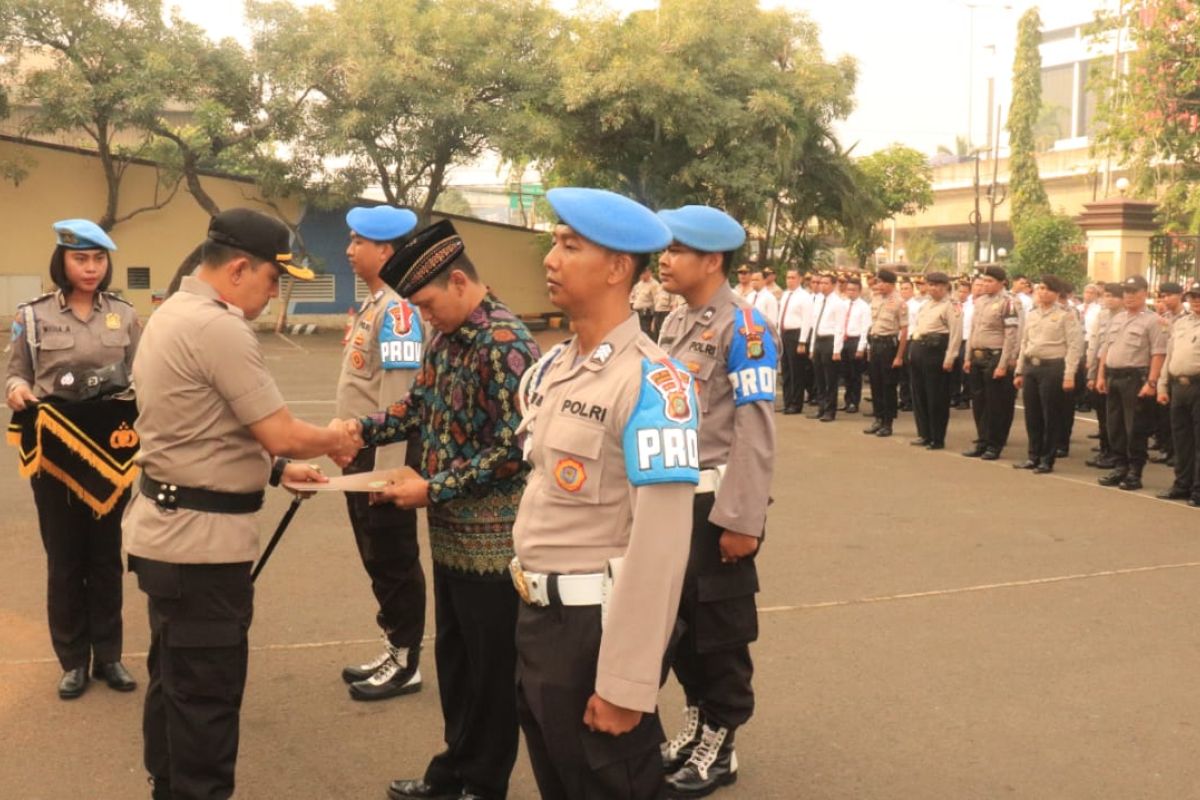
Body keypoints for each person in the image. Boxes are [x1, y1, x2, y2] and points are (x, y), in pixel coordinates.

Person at [123, 208, 360, 800]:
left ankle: (168, 786)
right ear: (237, 269)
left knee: (173, 686)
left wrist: (277, 471)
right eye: (273, 280)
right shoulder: (218, 328)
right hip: (201, 549)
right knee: (206, 701)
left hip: (170, 537)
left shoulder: (174, 312)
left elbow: (204, 427)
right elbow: (277, 429)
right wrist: (336, 439)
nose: (274, 293)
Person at [339, 219, 540, 800]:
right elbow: (419, 405)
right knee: (456, 668)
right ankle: (454, 770)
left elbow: (514, 450)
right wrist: (360, 428)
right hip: (452, 537)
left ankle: (484, 782)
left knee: (491, 675)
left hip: (493, 545)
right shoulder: (447, 336)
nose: (425, 316)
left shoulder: (505, 343)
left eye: (427, 305)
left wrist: (432, 487)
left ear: (458, 281)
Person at [511, 187, 698, 800]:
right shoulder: (550, 368)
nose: (551, 259)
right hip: (538, 619)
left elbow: (661, 548)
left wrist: (627, 682)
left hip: (594, 631)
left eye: (570, 245)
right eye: (554, 243)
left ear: (618, 268)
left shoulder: (653, 385)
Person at [656, 205, 776, 797]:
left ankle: (722, 741)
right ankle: (698, 718)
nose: (664, 259)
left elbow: (756, 428)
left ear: (712, 259)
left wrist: (742, 518)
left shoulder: (745, 328)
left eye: (676, 250)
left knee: (719, 628)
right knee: (677, 624)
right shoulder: (676, 321)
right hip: (672, 500)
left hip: (715, 504)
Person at [5, 219, 141, 699]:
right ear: (62, 260)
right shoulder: (34, 315)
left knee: (106, 557)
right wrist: (18, 390)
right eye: (81, 258)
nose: (91, 267)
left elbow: (140, 375)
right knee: (64, 559)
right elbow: (15, 374)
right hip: (56, 454)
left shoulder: (124, 315)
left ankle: (109, 656)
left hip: (110, 454)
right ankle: (72, 661)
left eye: (98, 259)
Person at [334, 205, 429, 701]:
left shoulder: (398, 311)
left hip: (383, 456)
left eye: (358, 242)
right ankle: (392, 643)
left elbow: (399, 397)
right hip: (361, 453)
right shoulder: (375, 304)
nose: (349, 251)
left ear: (386, 250)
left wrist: (389, 473)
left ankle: (405, 660)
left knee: (392, 556)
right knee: (375, 555)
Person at [1095, 275, 1169, 491]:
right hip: (1114, 376)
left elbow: (1158, 354)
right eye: (1126, 292)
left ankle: (1135, 471)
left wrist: (1152, 382)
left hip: (1135, 379)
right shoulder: (1117, 318)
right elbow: (1106, 349)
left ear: (1145, 293)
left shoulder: (1154, 321)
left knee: (1135, 427)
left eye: (1133, 291)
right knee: (1115, 426)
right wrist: (1101, 375)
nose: (1128, 296)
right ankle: (1120, 467)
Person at [1012, 275, 1083, 473]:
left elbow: (1074, 347)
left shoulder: (1066, 315)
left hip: (1053, 368)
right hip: (1031, 367)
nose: (1043, 292)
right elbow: (1025, 343)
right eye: (1041, 288)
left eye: (1049, 289)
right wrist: (1019, 371)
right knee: (1032, 414)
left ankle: (1047, 458)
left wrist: (1069, 375)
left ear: (1057, 294)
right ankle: (1033, 455)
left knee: (1050, 415)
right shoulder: (1032, 314)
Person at [962, 266, 1020, 461]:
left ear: (1002, 282)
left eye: (990, 281)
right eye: (984, 281)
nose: (986, 285)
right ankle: (982, 440)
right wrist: (968, 357)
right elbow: (973, 330)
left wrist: (1003, 364)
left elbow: (1011, 336)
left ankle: (995, 444)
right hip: (978, 355)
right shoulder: (980, 302)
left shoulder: (1009, 303)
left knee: (997, 404)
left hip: (996, 355)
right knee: (979, 403)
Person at [1155, 285, 1200, 506]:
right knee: (1181, 440)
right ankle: (1182, 484)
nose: (1196, 301)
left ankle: (1198, 489)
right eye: (1192, 297)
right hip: (1179, 387)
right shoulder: (1181, 323)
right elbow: (1170, 356)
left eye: (1199, 298)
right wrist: (1162, 386)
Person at [908, 272, 962, 450]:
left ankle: (937, 437)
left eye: (938, 285)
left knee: (936, 397)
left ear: (946, 286)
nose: (933, 288)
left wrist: (950, 357)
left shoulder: (951, 306)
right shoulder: (926, 305)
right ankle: (924, 433)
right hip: (919, 348)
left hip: (936, 352)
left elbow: (956, 334)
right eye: (930, 285)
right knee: (919, 394)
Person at [863, 268, 908, 438]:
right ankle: (878, 418)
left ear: (889, 284)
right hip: (875, 344)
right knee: (876, 384)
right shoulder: (875, 298)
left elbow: (904, 330)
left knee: (888, 386)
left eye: (881, 282)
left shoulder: (899, 302)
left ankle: (888, 423)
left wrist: (899, 356)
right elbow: (873, 324)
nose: (878, 285)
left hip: (889, 346)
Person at [1085, 283, 1124, 470]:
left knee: (1115, 417)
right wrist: (1091, 373)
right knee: (1102, 414)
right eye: (1106, 295)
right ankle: (1105, 449)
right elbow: (1095, 343)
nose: (1109, 299)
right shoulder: (1101, 315)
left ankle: (1117, 454)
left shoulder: (1126, 317)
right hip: (1100, 367)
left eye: (1113, 296)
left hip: (1117, 368)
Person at [807, 273, 848, 422]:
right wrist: (812, 347)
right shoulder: (818, 300)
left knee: (830, 378)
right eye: (820, 283)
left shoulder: (838, 303)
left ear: (833, 285)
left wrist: (837, 350)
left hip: (830, 341)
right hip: (818, 339)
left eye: (825, 283)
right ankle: (821, 407)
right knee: (819, 378)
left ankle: (830, 410)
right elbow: (814, 324)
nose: (822, 286)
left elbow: (840, 327)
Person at [778, 267, 814, 415]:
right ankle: (787, 401)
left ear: (799, 279)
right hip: (784, 333)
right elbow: (780, 315)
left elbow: (807, 320)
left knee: (796, 371)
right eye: (787, 277)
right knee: (785, 370)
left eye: (793, 277)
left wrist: (802, 341)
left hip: (796, 334)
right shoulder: (785, 294)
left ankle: (796, 403)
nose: (789, 280)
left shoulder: (804, 296)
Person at [840, 279, 871, 413]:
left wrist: (861, 347)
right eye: (848, 289)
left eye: (853, 290)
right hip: (844, 340)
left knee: (855, 374)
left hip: (856, 340)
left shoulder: (864, 307)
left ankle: (854, 401)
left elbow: (865, 328)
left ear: (859, 291)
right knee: (846, 373)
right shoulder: (843, 304)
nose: (850, 292)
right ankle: (847, 400)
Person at [630, 266, 661, 336]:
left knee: (645, 334)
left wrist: (654, 318)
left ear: (648, 273)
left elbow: (657, 301)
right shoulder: (639, 284)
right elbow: (633, 296)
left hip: (647, 314)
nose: (642, 275)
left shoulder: (654, 285)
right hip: (637, 312)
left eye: (644, 273)